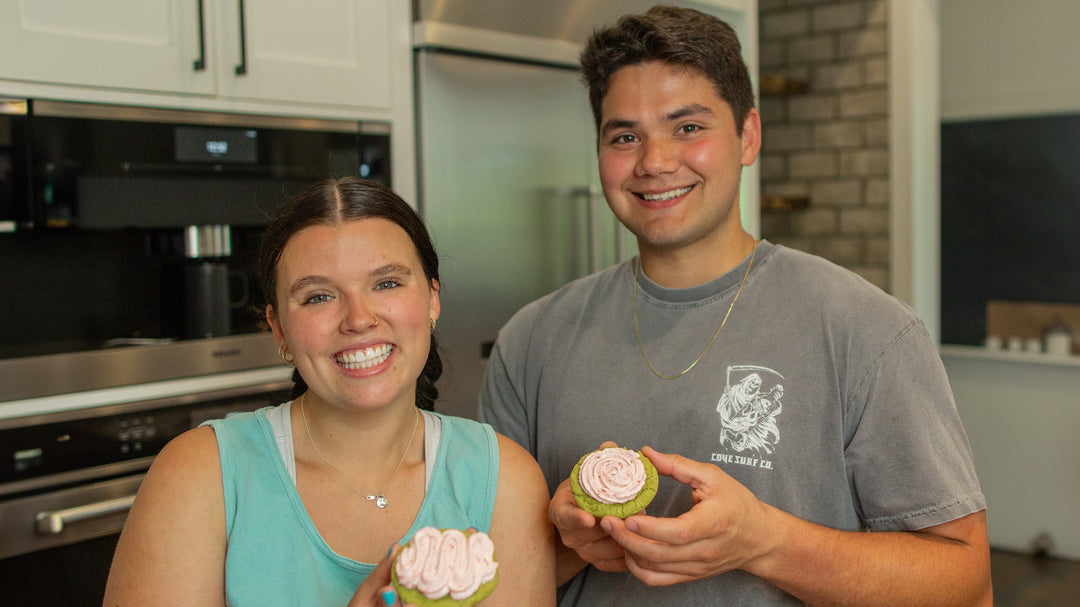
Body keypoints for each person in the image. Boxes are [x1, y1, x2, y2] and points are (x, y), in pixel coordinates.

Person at [478, 5, 991, 606]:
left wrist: (764, 543)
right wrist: (567, 542)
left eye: (688, 127)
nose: (654, 161)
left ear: (748, 136)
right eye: (625, 136)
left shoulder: (866, 329)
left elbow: (966, 584)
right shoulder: (530, 340)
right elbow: (487, 579)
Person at [105, 177, 556, 606]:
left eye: (386, 283)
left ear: (432, 299)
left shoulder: (505, 482)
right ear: (279, 328)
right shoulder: (199, 476)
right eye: (319, 296)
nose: (358, 319)